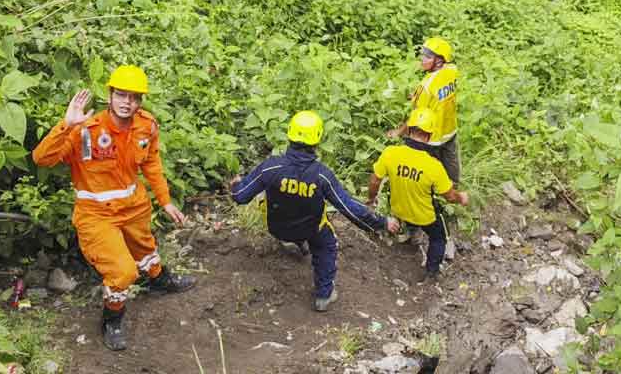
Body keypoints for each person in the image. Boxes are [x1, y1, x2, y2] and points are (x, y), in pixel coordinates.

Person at [32, 65, 194, 351]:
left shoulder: (147, 125)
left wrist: (165, 200)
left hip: (134, 207)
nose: (126, 102)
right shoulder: (85, 131)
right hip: (96, 216)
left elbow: (152, 163)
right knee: (123, 273)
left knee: (146, 248)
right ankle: (112, 319)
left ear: (140, 101)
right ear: (110, 95)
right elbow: (41, 159)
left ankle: (158, 280)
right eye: (121, 94)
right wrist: (66, 125)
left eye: (133, 97)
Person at [230, 110, 399, 312]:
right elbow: (349, 208)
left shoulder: (270, 167)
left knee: (282, 208)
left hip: (277, 227)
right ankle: (324, 296)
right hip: (310, 230)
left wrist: (235, 185)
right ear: (317, 139)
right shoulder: (322, 176)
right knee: (327, 244)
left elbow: (241, 196)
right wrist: (381, 222)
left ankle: (292, 243)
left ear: (290, 134)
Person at [371, 108, 469, 282]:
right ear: (430, 136)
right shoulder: (434, 166)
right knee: (439, 237)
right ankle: (432, 272)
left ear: (409, 130)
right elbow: (449, 196)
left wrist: (371, 199)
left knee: (409, 209)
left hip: (399, 210)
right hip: (424, 217)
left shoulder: (390, 153)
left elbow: (375, 181)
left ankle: (408, 233)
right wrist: (461, 197)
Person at [387, 37, 461, 257]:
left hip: (433, 139)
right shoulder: (452, 72)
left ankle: (417, 225)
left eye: (427, 56)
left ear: (439, 61)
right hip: (451, 132)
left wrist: (397, 132)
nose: (422, 59)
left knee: (426, 181)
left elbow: (414, 118)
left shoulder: (425, 87)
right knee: (451, 174)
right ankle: (452, 199)